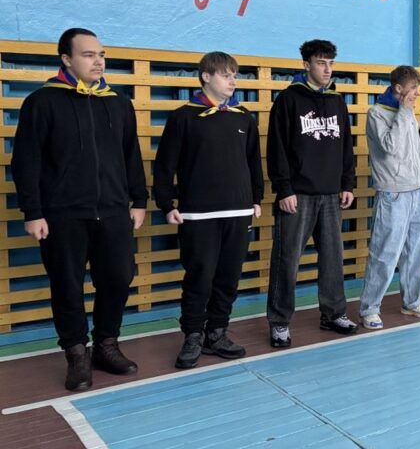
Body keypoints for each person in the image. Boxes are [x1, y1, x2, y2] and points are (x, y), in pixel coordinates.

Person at [12, 28, 148, 391]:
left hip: (114, 212)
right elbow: (26, 161)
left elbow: (131, 156)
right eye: (88, 55)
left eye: (101, 54)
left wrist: (139, 201)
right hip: (62, 214)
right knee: (67, 285)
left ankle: (106, 344)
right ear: (66, 59)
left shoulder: (118, 103)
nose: (98, 61)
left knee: (118, 278)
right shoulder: (42, 102)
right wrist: (33, 211)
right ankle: (76, 353)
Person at [154, 52, 263, 369]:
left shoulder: (243, 117)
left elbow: (253, 162)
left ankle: (217, 333)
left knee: (229, 277)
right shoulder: (183, 117)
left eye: (235, 76)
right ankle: (193, 335)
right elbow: (165, 166)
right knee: (199, 278)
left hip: (238, 213)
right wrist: (167, 204)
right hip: (198, 215)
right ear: (206, 76)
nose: (233, 81)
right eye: (226, 75)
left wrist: (255, 199)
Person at [265, 39, 357, 349]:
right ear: (306, 65)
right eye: (321, 63)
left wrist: (347, 184)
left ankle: (333, 313)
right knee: (286, 261)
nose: (328, 69)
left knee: (333, 259)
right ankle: (279, 322)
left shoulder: (337, 101)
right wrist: (284, 188)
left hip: (331, 194)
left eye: (331, 63)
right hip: (298, 195)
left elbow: (346, 147)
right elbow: (276, 148)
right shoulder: (288, 100)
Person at [359, 66, 420, 329]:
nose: (417, 94)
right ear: (399, 89)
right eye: (413, 89)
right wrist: (403, 111)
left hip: (416, 192)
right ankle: (369, 308)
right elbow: (389, 147)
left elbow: (416, 152)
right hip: (392, 194)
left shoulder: (409, 113)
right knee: (385, 253)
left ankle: (412, 302)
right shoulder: (376, 113)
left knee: (416, 252)